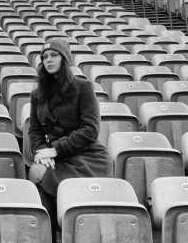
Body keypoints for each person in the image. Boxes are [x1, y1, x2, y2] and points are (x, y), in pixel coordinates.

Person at [27, 37, 112, 241]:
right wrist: (42, 153)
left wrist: (55, 149)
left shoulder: (83, 87)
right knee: (36, 172)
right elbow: (35, 131)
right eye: (45, 57)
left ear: (65, 59)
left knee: (44, 181)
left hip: (88, 156)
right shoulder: (37, 94)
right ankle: (49, 236)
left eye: (54, 55)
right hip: (56, 158)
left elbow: (90, 129)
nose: (48, 60)